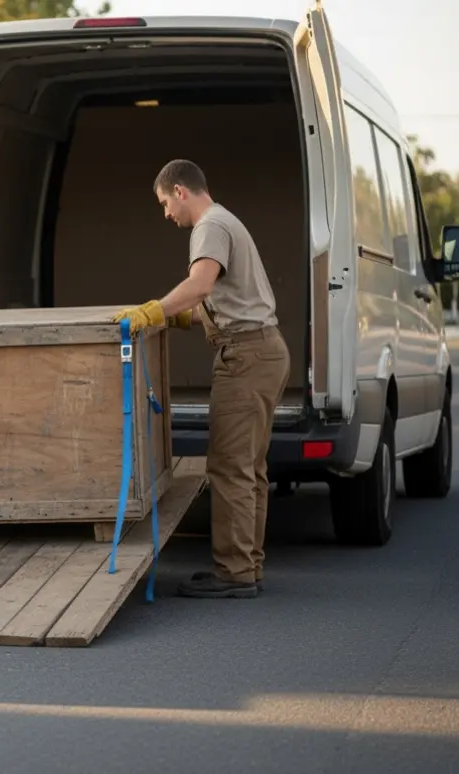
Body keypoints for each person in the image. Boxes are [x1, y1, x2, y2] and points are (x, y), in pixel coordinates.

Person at [113, 159, 290, 599]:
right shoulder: (226, 220)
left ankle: (234, 574)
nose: (166, 215)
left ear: (179, 191)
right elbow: (220, 301)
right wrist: (174, 320)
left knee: (229, 467)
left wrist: (153, 309)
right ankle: (246, 565)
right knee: (250, 468)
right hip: (262, 350)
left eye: (164, 204)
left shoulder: (209, 226)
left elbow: (201, 284)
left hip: (246, 357)